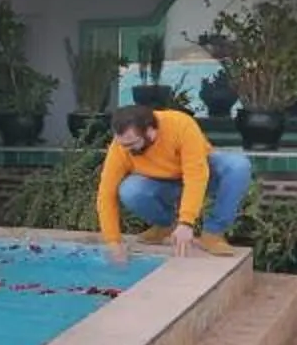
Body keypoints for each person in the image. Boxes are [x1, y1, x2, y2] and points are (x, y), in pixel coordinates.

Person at [97, 103, 248, 259]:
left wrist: (186, 222)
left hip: (204, 176)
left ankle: (213, 233)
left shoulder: (180, 125)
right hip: (162, 184)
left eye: (132, 144)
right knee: (130, 190)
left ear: (150, 131)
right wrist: (113, 242)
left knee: (238, 165)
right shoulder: (121, 146)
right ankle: (165, 225)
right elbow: (106, 194)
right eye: (122, 144)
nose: (126, 149)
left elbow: (196, 175)